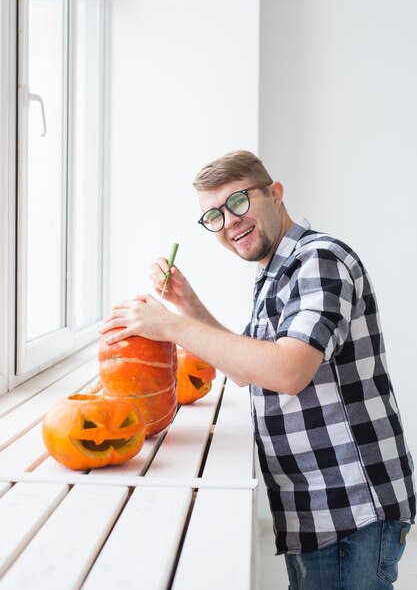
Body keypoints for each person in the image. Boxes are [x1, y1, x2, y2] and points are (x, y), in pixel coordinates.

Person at [99, 150, 415, 589]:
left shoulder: (319, 259)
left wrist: (169, 326)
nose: (228, 221)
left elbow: (288, 371)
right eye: (213, 215)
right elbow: (250, 369)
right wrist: (187, 304)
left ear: (275, 193)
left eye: (238, 202)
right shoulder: (276, 273)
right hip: (316, 505)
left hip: (350, 507)